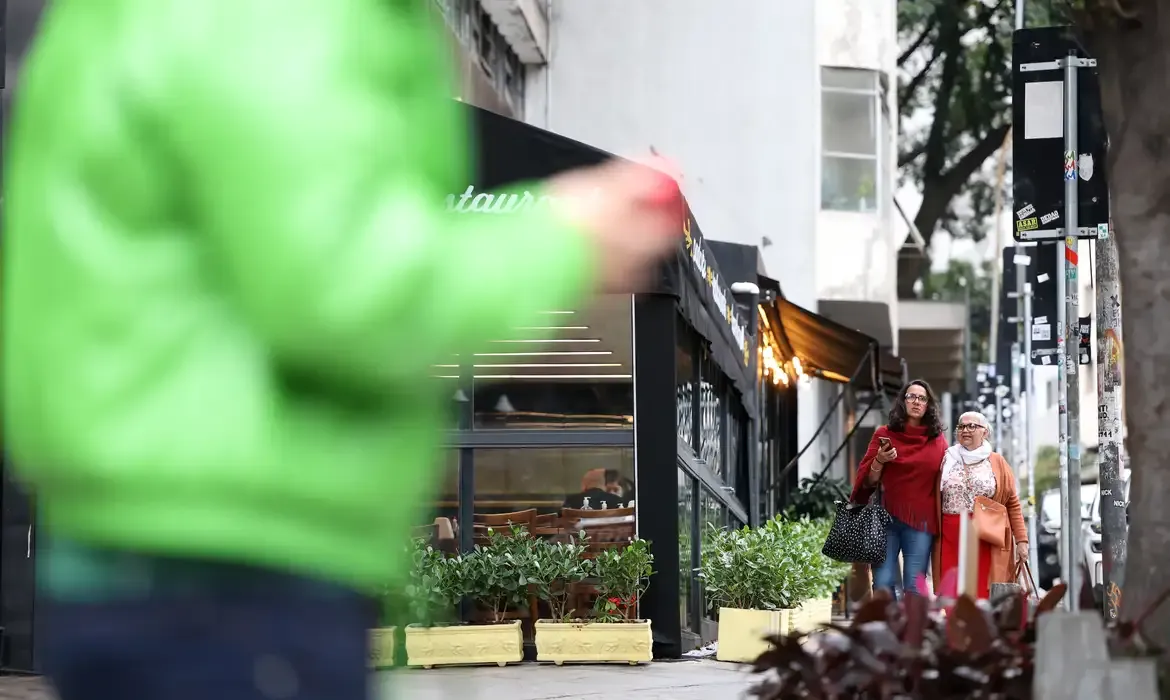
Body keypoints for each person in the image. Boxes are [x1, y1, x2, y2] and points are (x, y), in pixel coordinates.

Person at [1, 2, 683, 699]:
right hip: (231, 575)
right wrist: (562, 238)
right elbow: (342, 290)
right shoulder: (279, 19)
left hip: (170, 552)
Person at [851, 380, 948, 597]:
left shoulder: (937, 440)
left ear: (928, 405)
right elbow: (868, 481)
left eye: (922, 398)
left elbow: (948, 477)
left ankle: (912, 621)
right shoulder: (884, 434)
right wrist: (880, 460)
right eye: (911, 396)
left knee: (914, 586)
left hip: (921, 521)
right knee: (882, 583)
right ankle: (888, 620)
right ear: (903, 402)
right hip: (886, 519)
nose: (916, 402)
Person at [932, 411, 1029, 599]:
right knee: (951, 588)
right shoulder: (947, 459)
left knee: (983, 589)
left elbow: (1012, 503)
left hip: (986, 534)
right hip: (950, 534)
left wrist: (1022, 541)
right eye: (961, 426)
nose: (965, 430)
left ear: (985, 432)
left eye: (972, 426)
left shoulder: (997, 462)